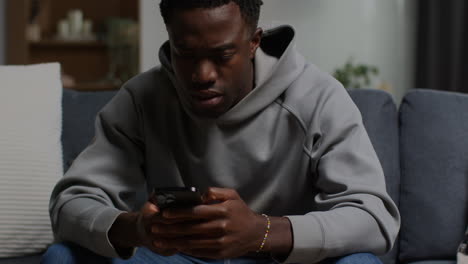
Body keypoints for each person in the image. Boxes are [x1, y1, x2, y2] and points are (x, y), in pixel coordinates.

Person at [43, 0, 400, 263]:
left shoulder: (319, 98)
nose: (202, 75)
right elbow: (69, 203)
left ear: (254, 41)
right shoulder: (142, 98)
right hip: (180, 259)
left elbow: (374, 218)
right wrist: (134, 229)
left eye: (222, 55)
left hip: (284, 260)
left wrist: (261, 232)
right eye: (185, 53)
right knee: (63, 258)